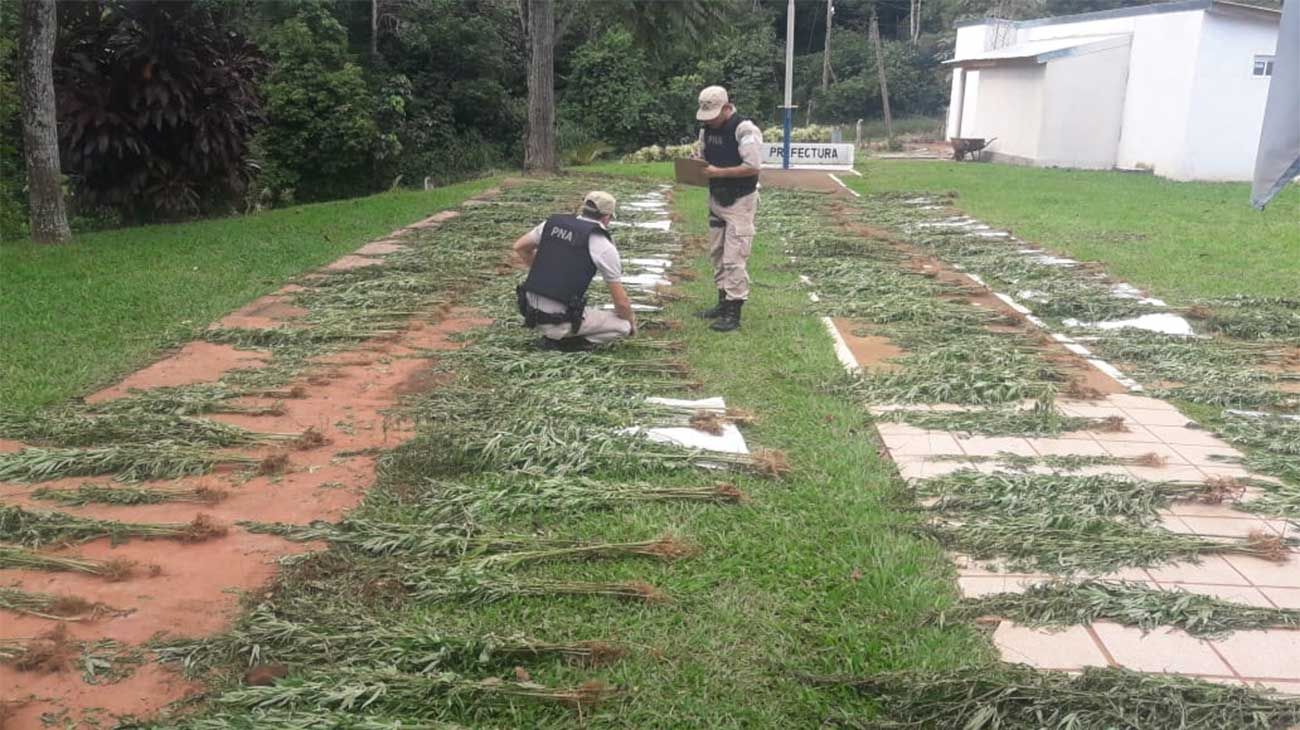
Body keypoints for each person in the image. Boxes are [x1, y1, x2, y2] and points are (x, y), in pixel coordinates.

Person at [513, 191, 635, 351]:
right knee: (622, 326)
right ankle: (565, 343)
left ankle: (556, 333)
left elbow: (520, 247)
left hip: (528, 310)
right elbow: (621, 303)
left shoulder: (551, 224)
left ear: (583, 209)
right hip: (556, 321)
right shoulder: (603, 245)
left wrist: (545, 273)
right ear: (607, 218)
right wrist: (632, 322)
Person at [694, 85, 762, 333]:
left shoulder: (745, 129)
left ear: (726, 107)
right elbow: (704, 156)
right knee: (717, 253)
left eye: (713, 114)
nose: (709, 121)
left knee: (734, 258)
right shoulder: (706, 130)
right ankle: (722, 302)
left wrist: (718, 172)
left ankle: (734, 311)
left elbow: (753, 166)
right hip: (716, 199)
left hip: (740, 201)